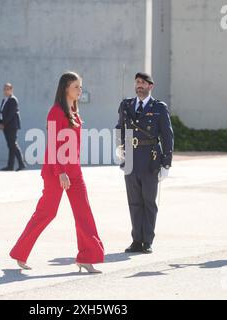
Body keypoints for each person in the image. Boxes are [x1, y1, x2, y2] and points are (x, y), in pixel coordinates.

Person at [10, 72, 104, 273]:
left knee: (84, 213)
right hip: (56, 172)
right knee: (47, 213)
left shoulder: (75, 112)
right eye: (76, 87)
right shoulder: (55, 112)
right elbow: (52, 144)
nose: (80, 90)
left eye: (80, 86)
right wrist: (61, 172)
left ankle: (87, 258)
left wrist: (72, 170)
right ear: (65, 89)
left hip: (74, 172)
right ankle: (20, 252)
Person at [116, 72, 174, 254]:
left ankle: (147, 240)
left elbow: (167, 136)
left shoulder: (159, 107)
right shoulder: (126, 105)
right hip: (131, 158)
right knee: (134, 202)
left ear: (151, 86)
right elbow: (120, 127)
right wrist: (119, 146)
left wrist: (166, 164)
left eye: (143, 82)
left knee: (149, 201)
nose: (139, 85)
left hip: (151, 158)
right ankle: (136, 240)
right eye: (137, 82)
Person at [0, 83, 26, 171]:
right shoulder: (4, 100)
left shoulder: (13, 100)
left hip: (12, 126)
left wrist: (4, 123)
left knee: (13, 144)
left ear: (11, 90)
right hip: (6, 125)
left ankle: (21, 164)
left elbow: (11, 114)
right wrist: (0, 122)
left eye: (7, 89)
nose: (5, 91)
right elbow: (1, 112)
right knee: (10, 145)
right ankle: (10, 166)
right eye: (4, 89)